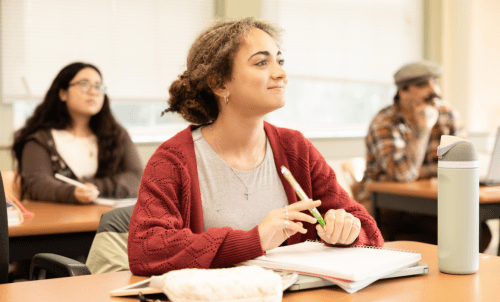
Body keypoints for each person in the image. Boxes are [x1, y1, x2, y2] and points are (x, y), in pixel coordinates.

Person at [128, 18, 383, 276]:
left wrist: (348, 231)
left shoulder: (296, 148)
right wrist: (256, 239)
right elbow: (145, 249)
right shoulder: (173, 159)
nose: (281, 73)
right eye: (262, 62)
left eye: (280, 61)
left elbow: (370, 234)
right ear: (219, 83)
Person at [357, 61, 468, 243]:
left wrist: (422, 173)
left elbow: (463, 165)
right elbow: (404, 174)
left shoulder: (447, 114)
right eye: (423, 85)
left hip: (432, 205)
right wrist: (421, 130)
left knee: (476, 232)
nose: (434, 91)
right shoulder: (384, 122)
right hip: (387, 209)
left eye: (435, 82)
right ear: (403, 92)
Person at [12, 62, 143, 204]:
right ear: (63, 93)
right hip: (60, 222)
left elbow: (137, 177)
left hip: (108, 219)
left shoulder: (117, 134)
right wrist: (72, 192)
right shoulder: (40, 138)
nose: (93, 91)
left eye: (98, 86)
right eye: (84, 84)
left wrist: (94, 187)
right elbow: (37, 184)